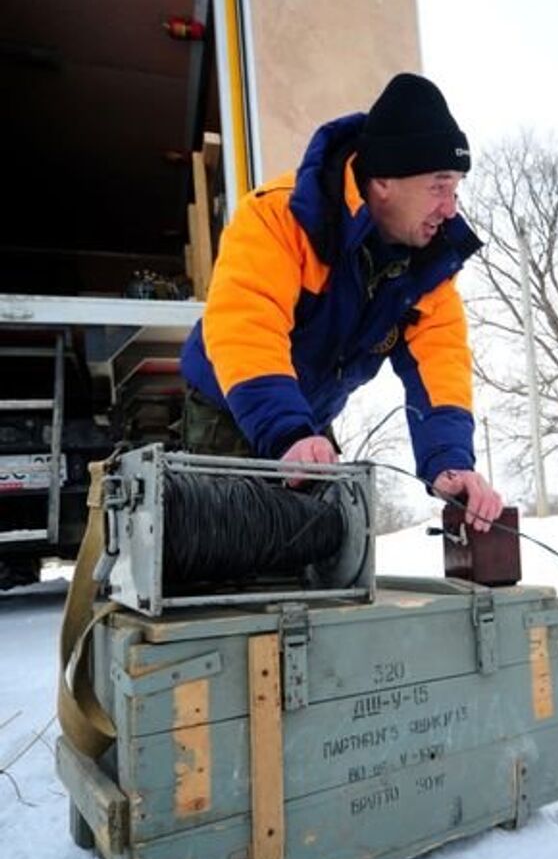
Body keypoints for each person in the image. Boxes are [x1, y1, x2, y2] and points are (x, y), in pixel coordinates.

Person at [180, 72, 503, 531]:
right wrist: (288, 432)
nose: (451, 208)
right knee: (230, 558)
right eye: (439, 185)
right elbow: (246, 326)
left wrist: (448, 460)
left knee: (319, 554)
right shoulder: (277, 217)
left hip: (306, 420)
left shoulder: (430, 265)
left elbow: (440, 365)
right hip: (228, 409)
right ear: (385, 180)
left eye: (456, 188)